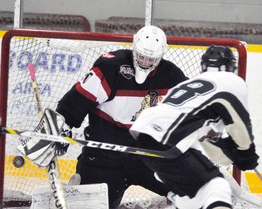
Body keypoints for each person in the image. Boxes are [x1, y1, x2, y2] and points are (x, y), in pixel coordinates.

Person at [19, 25, 188, 208]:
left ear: (160, 57)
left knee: (190, 192)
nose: (145, 62)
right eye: (141, 56)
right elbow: (74, 102)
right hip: (103, 159)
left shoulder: (172, 76)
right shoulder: (110, 68)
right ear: (134, 49)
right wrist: (62, 128)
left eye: (151, 59)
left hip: (146, 157)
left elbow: (192, 111)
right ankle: (80, 193)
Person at [129, 45, 260, 209]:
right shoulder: (232, 81)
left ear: (204, 66)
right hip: (167, 138)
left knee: (190, 200)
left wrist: (234, 155)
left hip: (145, 134)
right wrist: (245, 152)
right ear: (231, 67)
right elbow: (239, 123)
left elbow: (209, 141)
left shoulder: (191, 87)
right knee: (216, 188)